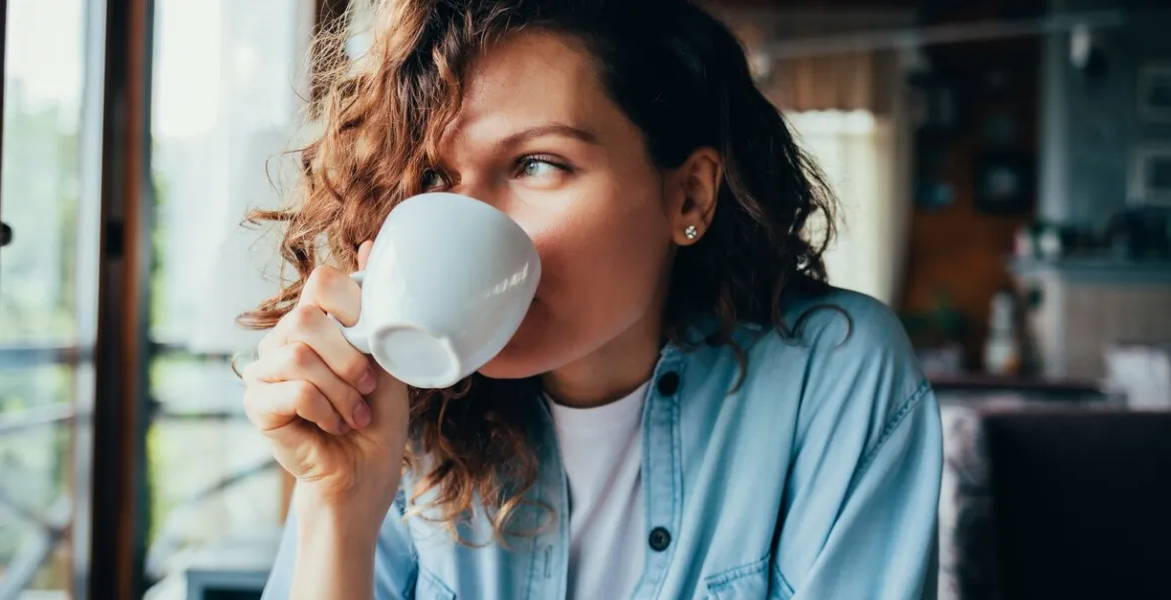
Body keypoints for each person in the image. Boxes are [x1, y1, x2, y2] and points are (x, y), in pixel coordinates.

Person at [242, 0, 943, 598]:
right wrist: (339, 509)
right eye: (433, 175)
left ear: (688, 195)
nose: (470, 221)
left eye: (537, 164)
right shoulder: (399, 412)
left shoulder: (831, 376)